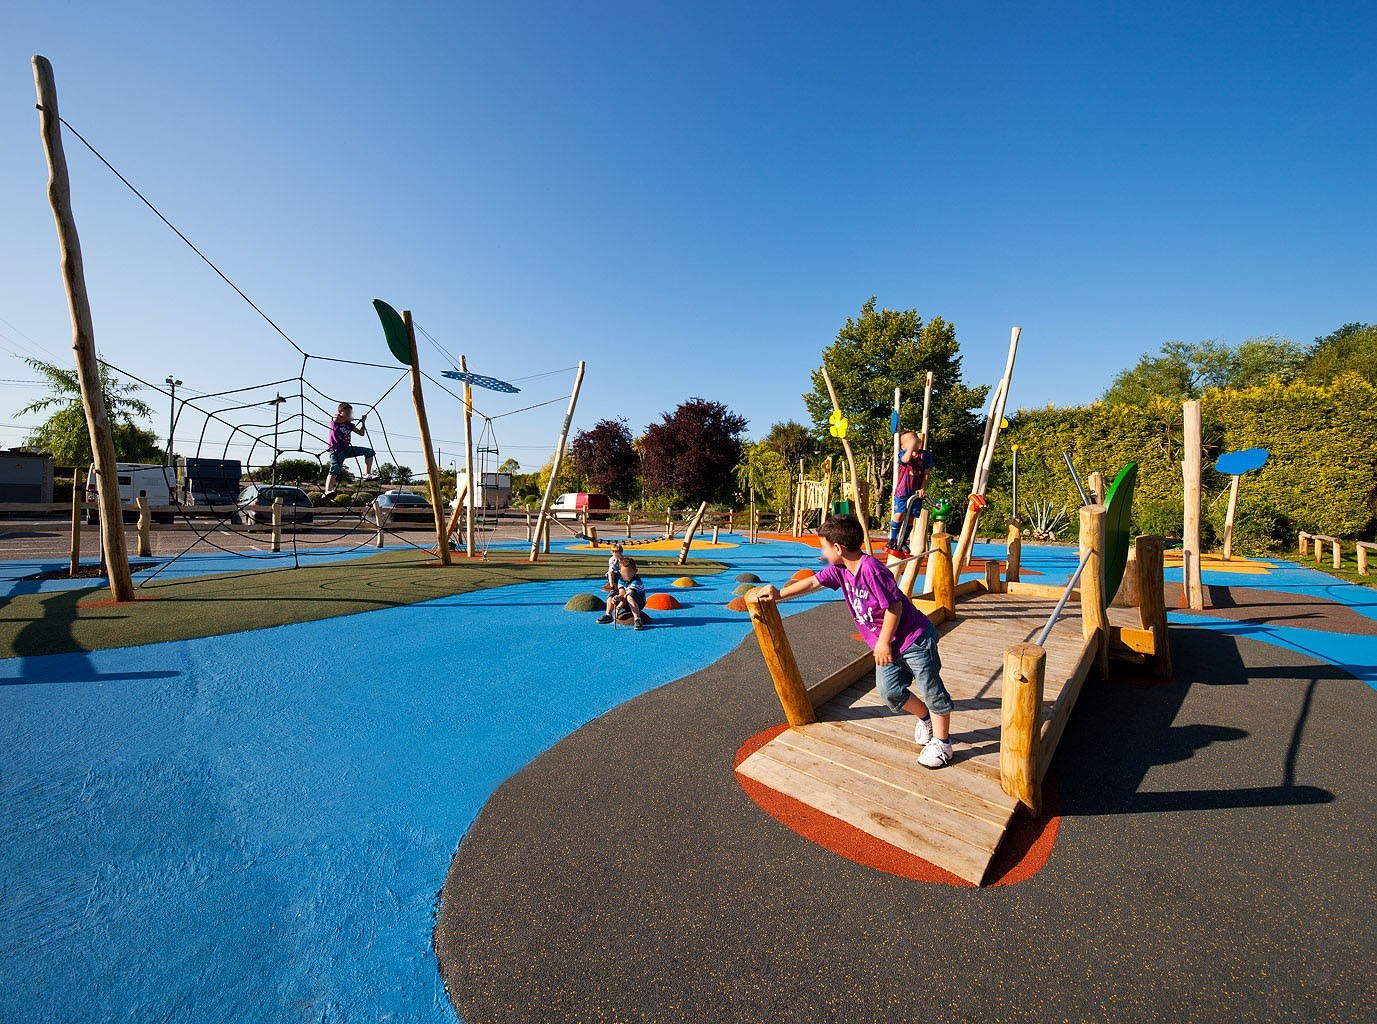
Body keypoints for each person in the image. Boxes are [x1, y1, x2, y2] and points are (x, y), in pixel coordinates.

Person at [756, 513, 954, 768]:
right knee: (890, 692)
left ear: (837, 548)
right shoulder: (841, 569)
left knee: (931, 689)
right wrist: (780, 594)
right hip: (889, 645)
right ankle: (925, 718)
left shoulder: (871, 570)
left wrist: (882, 642)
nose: (823, 554)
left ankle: (943, 743)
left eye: (824, 548)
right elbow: (814, 581)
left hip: (914, 640)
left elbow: (895, 607)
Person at [886, 430, 933, 557]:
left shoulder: (925, 455)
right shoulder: (902, 454)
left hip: (916, 491)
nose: (914, 439)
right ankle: (893, 538)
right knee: (900, 514)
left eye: (915, 437)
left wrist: (922, 488)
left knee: (911, 517)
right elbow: (906, 459)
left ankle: (904, 541)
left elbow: (926, 474)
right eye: (909, 439)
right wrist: (911, 447)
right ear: (903, 446)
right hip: (903, 490)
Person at [322, 402, 376, 498]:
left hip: (346, 449)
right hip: (336, 450)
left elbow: (361, 433)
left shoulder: (349, 424)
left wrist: (363, 422)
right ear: (340, 412)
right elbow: (336, 419)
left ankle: (367, 474)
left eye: (350, 413)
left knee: (369, 452)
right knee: (335, 469)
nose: (349, 415)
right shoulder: (335, 419)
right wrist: (347, 418)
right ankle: (328, 491)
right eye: (346, 412)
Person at [597, 555, 648, 630]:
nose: (626, 574)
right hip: (626, 601)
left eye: (629, 571)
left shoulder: (636, 581)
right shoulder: (620, 580)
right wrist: (617, 598)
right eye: (624, 572)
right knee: (612, 595)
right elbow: (622, 593)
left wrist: (619, 606)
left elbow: (627, 594)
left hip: (638, 602)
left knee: (630, 596)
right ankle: (608, 615)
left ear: (635, 571)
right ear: (620, 572)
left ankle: (637, 619)